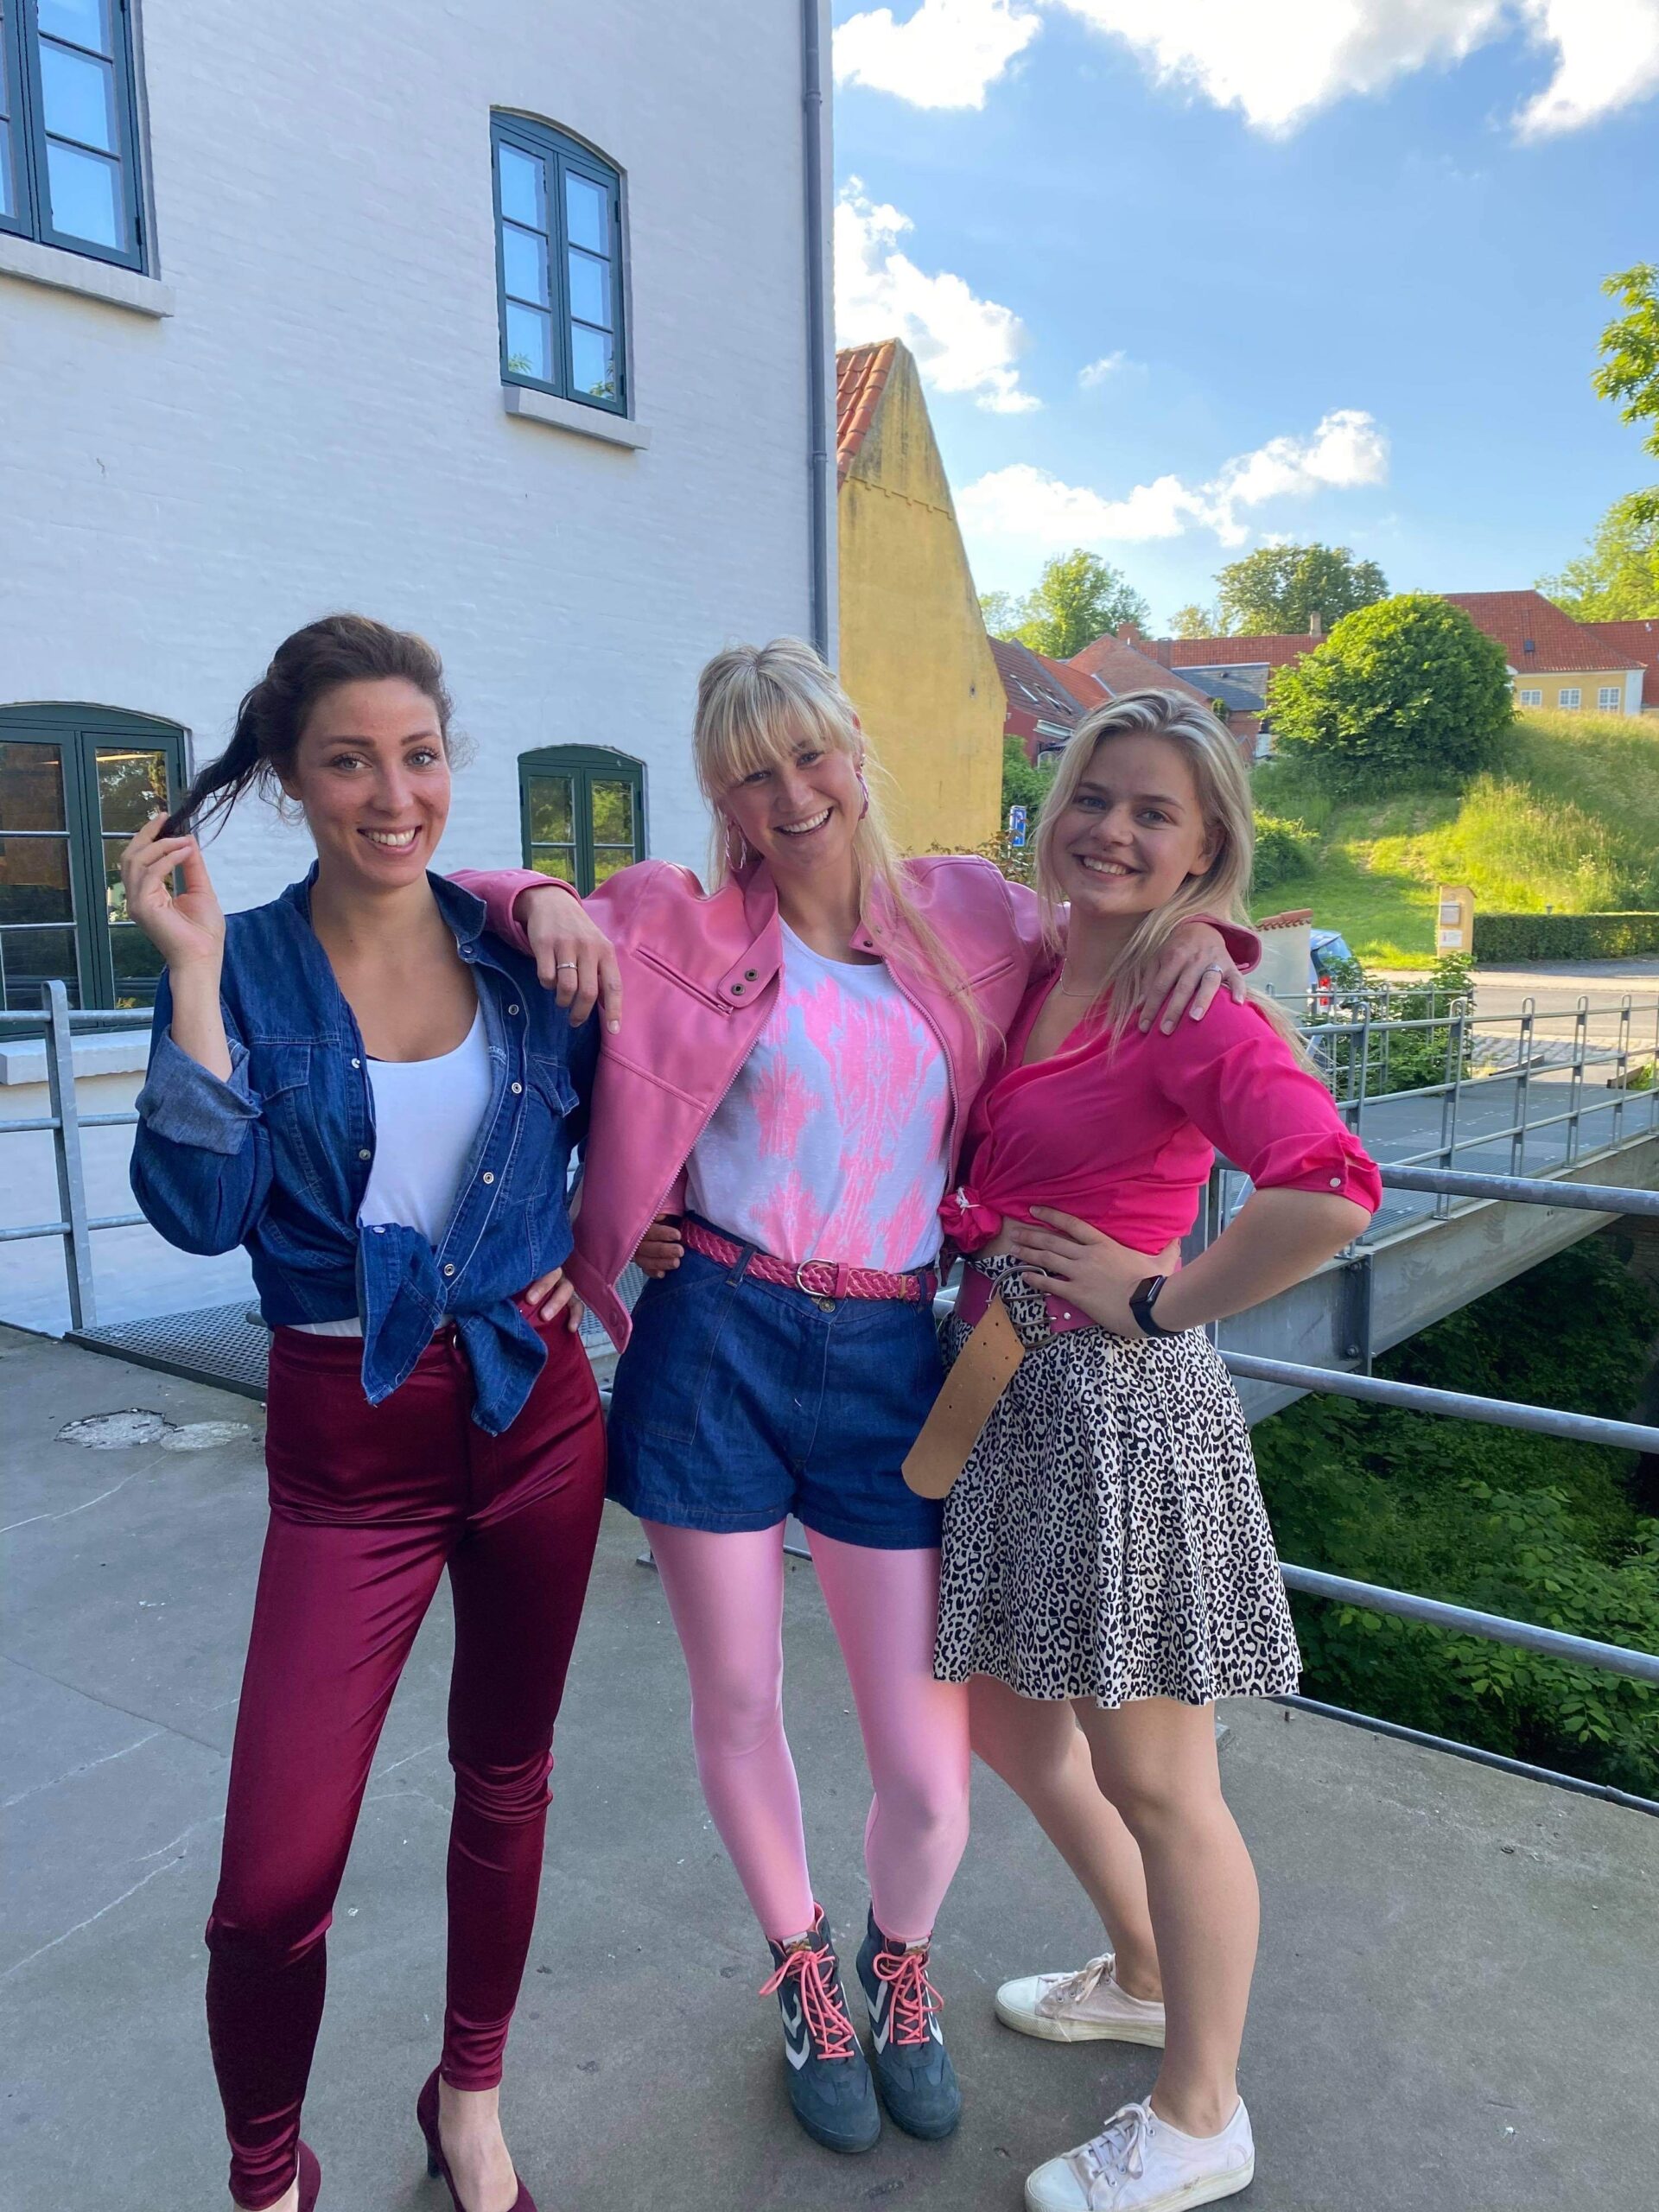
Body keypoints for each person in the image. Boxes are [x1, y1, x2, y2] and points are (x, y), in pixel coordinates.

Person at [456, 639, 1258, 2158]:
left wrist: (1211, 940)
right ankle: (805, 1973)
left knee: (927, 1765)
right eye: (750, 773)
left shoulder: (971, 914)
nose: (792, 793)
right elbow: (470, 900)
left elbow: (1119, 911)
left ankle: (901, 1960)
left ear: (855, 747)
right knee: (739, 1695)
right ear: (721, 796)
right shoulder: (675, 919)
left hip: (899, 1356)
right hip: (715, 1339)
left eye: (810, 753)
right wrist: (541, 894)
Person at [123, 616, 607, 2212]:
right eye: (350, 762)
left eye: (421, 756)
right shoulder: (246, 963)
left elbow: (661, 1090)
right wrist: (192, 973)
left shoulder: (517, 948)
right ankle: (269, 2180)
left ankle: (469, 2101)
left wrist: (609, 1248)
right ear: (290, 778)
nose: (395, 796)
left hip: (537, 1416)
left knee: (507, 1781)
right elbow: (201, 1212)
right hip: (348, 1446)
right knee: (271, 1887)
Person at [929, 688, 1381, 2212]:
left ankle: (1201, 2115)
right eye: (1092, 796)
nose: (1112, 829)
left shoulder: (1196, 1006)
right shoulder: (1037, 962)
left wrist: (1162, 1297)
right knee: (1009, 1724)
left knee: (1159, 1775)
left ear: (1204, 852)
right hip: (1004, 1398)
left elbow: (1329, 1186)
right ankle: (1139, 1972)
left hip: (1118, 1412)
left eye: (1153, 813)